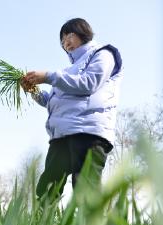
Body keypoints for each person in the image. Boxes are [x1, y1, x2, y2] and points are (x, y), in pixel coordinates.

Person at [22, 18, 123, 199]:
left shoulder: (103, 54)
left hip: (89, 132)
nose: (65, 42)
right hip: (62, 135)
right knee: (48, 187)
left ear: (84, 32)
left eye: (69, 36)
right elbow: (52, 101)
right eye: (62, 41)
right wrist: (34, 91)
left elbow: (89, 83)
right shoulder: (68, 70)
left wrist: (48, 77)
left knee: (86, 189)